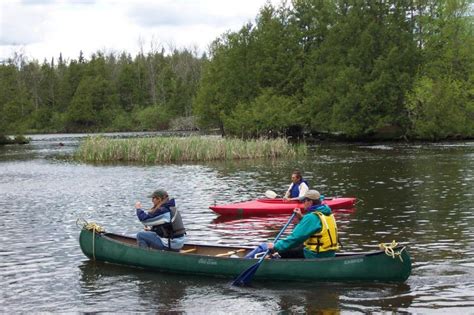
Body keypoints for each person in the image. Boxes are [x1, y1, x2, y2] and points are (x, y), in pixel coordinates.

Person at [245, 190, 339, 259]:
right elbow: (316, 227)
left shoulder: (311, 217)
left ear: (310, 202)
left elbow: (295, 238)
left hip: (314, 255)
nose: (302, 203)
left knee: (266, 247)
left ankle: (245, 261)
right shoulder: (326, 213)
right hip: (328, 253)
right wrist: (301, 217)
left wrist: (275, 246)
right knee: (289, 247)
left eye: (304, 201)